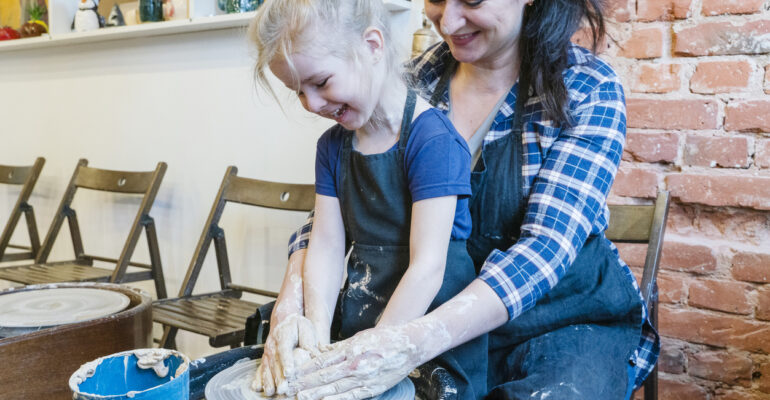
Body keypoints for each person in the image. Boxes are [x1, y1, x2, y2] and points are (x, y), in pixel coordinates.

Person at [262, 0, 660, 399]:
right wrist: (291, 308)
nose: (448, 22)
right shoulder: (417, 78)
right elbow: (334, 218)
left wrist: (406, 344)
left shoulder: (587, 88)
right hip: (425, 312)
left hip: (553, 321)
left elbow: (544, 251)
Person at [248, 0, 487, 398]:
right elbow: (324, 246)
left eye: (321, 82)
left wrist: (378, 354)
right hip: (363, 325)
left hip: (430, 337)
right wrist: (318, 341)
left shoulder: (433, 141)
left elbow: (428, 267)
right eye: (298, 92)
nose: (312, 103)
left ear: (373, 45)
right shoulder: (332, 148)